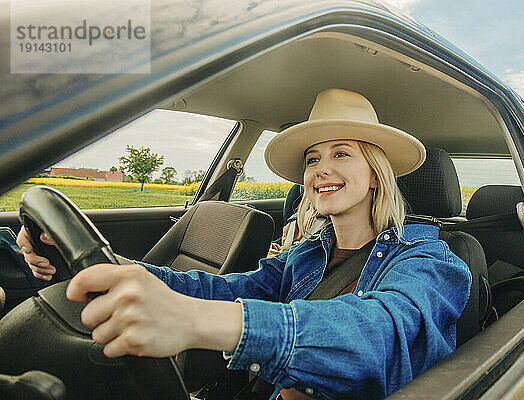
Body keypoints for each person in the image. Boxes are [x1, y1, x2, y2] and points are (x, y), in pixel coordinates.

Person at [17, 88, 471, 400]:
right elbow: (220, 289)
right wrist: (106, 267)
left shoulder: (429, 259)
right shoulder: (305, 255)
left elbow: (379, 336)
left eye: (341, 154)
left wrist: (197, 322)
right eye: (313, 159)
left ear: (375, 173)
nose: (320, 169)